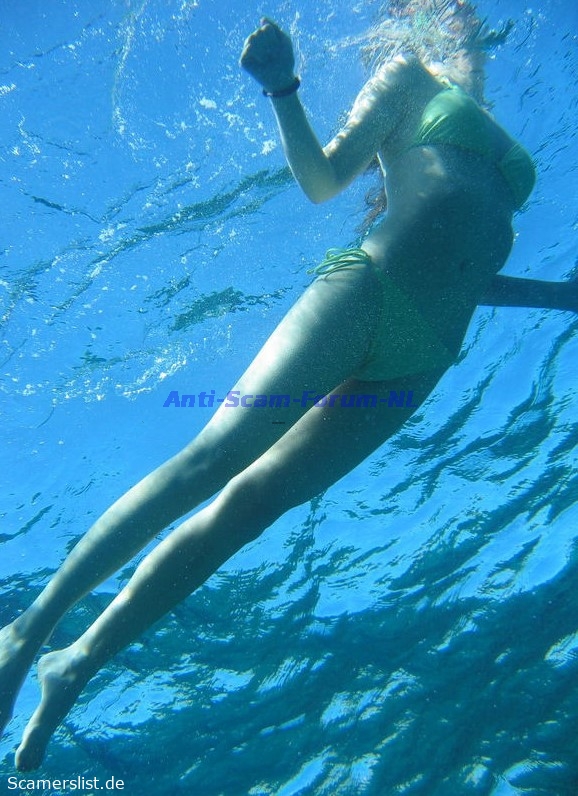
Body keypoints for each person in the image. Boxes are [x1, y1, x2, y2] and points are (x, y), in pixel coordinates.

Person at [1, 2, 576, 771]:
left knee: (255, 506)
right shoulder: (406, 77)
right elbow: (324, 179)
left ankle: (77, 662)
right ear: (423, 26)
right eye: (448, 13)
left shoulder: (492, 133)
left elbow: (470, 271)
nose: (465, 28)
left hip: (427, 353)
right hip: (367, 293)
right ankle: (27, 631)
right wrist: (283, 86)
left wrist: (560, 296)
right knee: (213, 460)